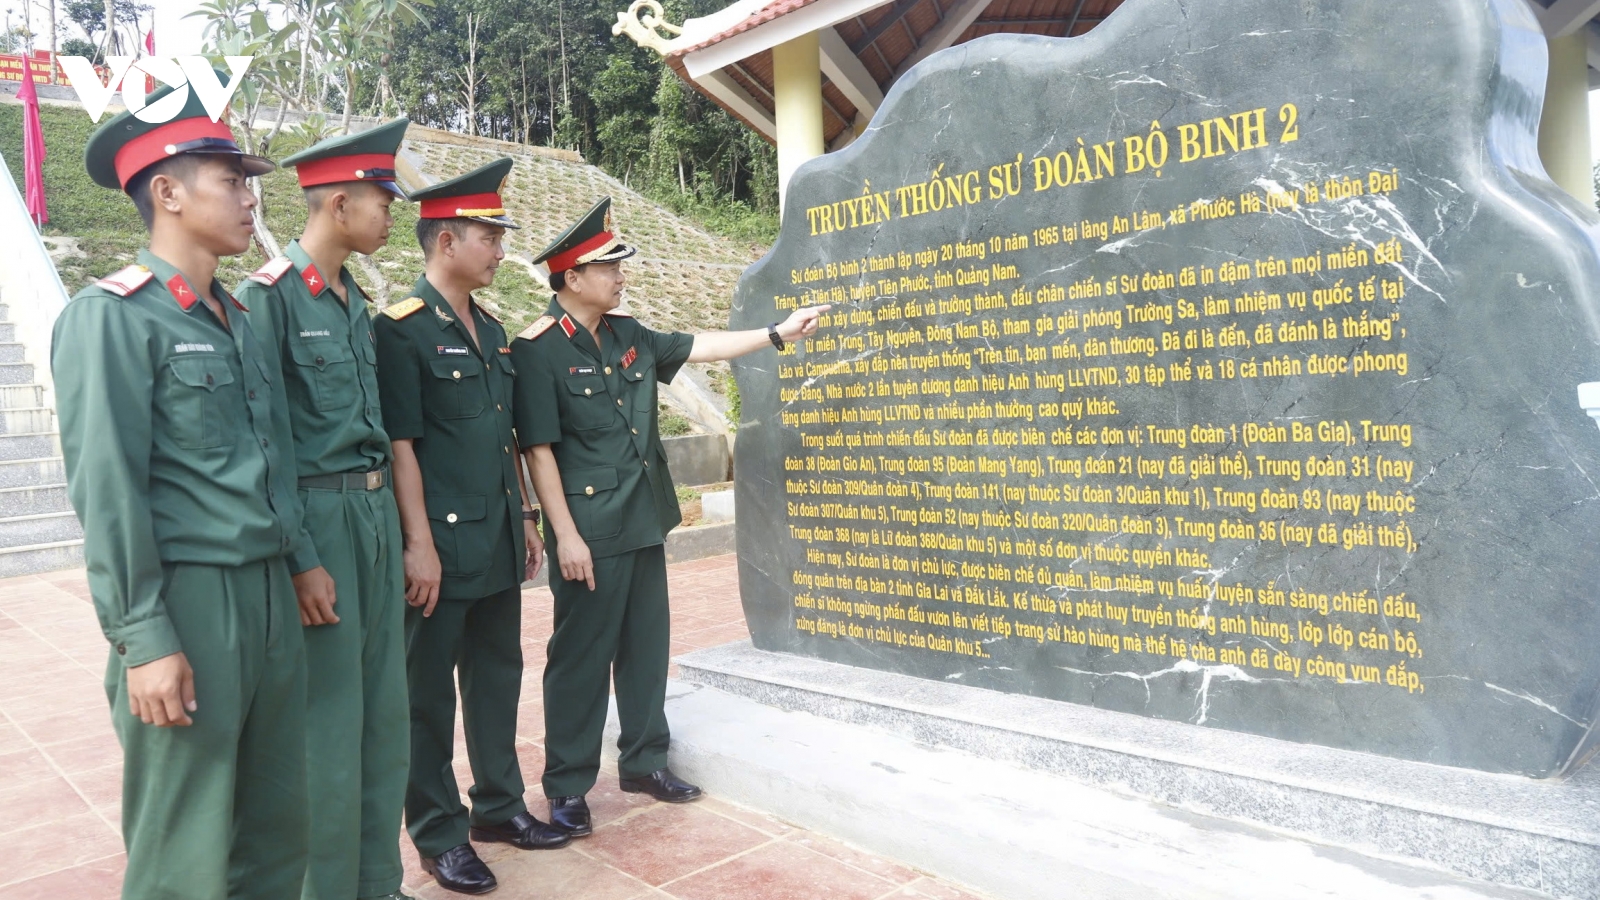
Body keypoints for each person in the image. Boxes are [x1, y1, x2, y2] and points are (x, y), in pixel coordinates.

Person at [54, 82, 309, 900]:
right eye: (230, 180)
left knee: (275, 828)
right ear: (167, 192)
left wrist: (299, 560)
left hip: (268, 596)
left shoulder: (235, 317)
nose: (248, 196)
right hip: (191, 604)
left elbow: (270, 456)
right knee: (186, 846)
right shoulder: (112, 318)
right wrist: (143, 636)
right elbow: (108, 488)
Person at [511, 197, 827, 836]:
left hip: (643, 518)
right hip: (589, 534)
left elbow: (703, 346)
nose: (620, 275)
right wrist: (563, 534)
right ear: (572, 277)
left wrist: (776, 333)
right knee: (578, 657)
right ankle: (568, 785)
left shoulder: (629, 335)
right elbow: (537, 450)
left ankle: (644, 761)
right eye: (608, 267)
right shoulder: (536, 349)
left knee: (646, 648)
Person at [373, 157, 568, 896]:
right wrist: (417, 544)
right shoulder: (401, 331)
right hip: (439, 544)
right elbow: (402, 447)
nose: (499, 247)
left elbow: (505, 437)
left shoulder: (489, 330)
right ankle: (438, 832)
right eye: (488, 235)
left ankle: (499, 807)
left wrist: (524, 513)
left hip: (492, 535)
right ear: (446, 242)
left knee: (495, 678)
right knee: (427, 696)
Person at [235, 118, 414, 900]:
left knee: (384, 719)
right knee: (326, 730)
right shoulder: (269, 299)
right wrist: (301, 557)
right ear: (339, 204)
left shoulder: (352, 303)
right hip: (321, 525)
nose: (390, 215)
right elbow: (267, 442)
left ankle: (377, 882)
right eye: (382, 201)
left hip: (372, 522)